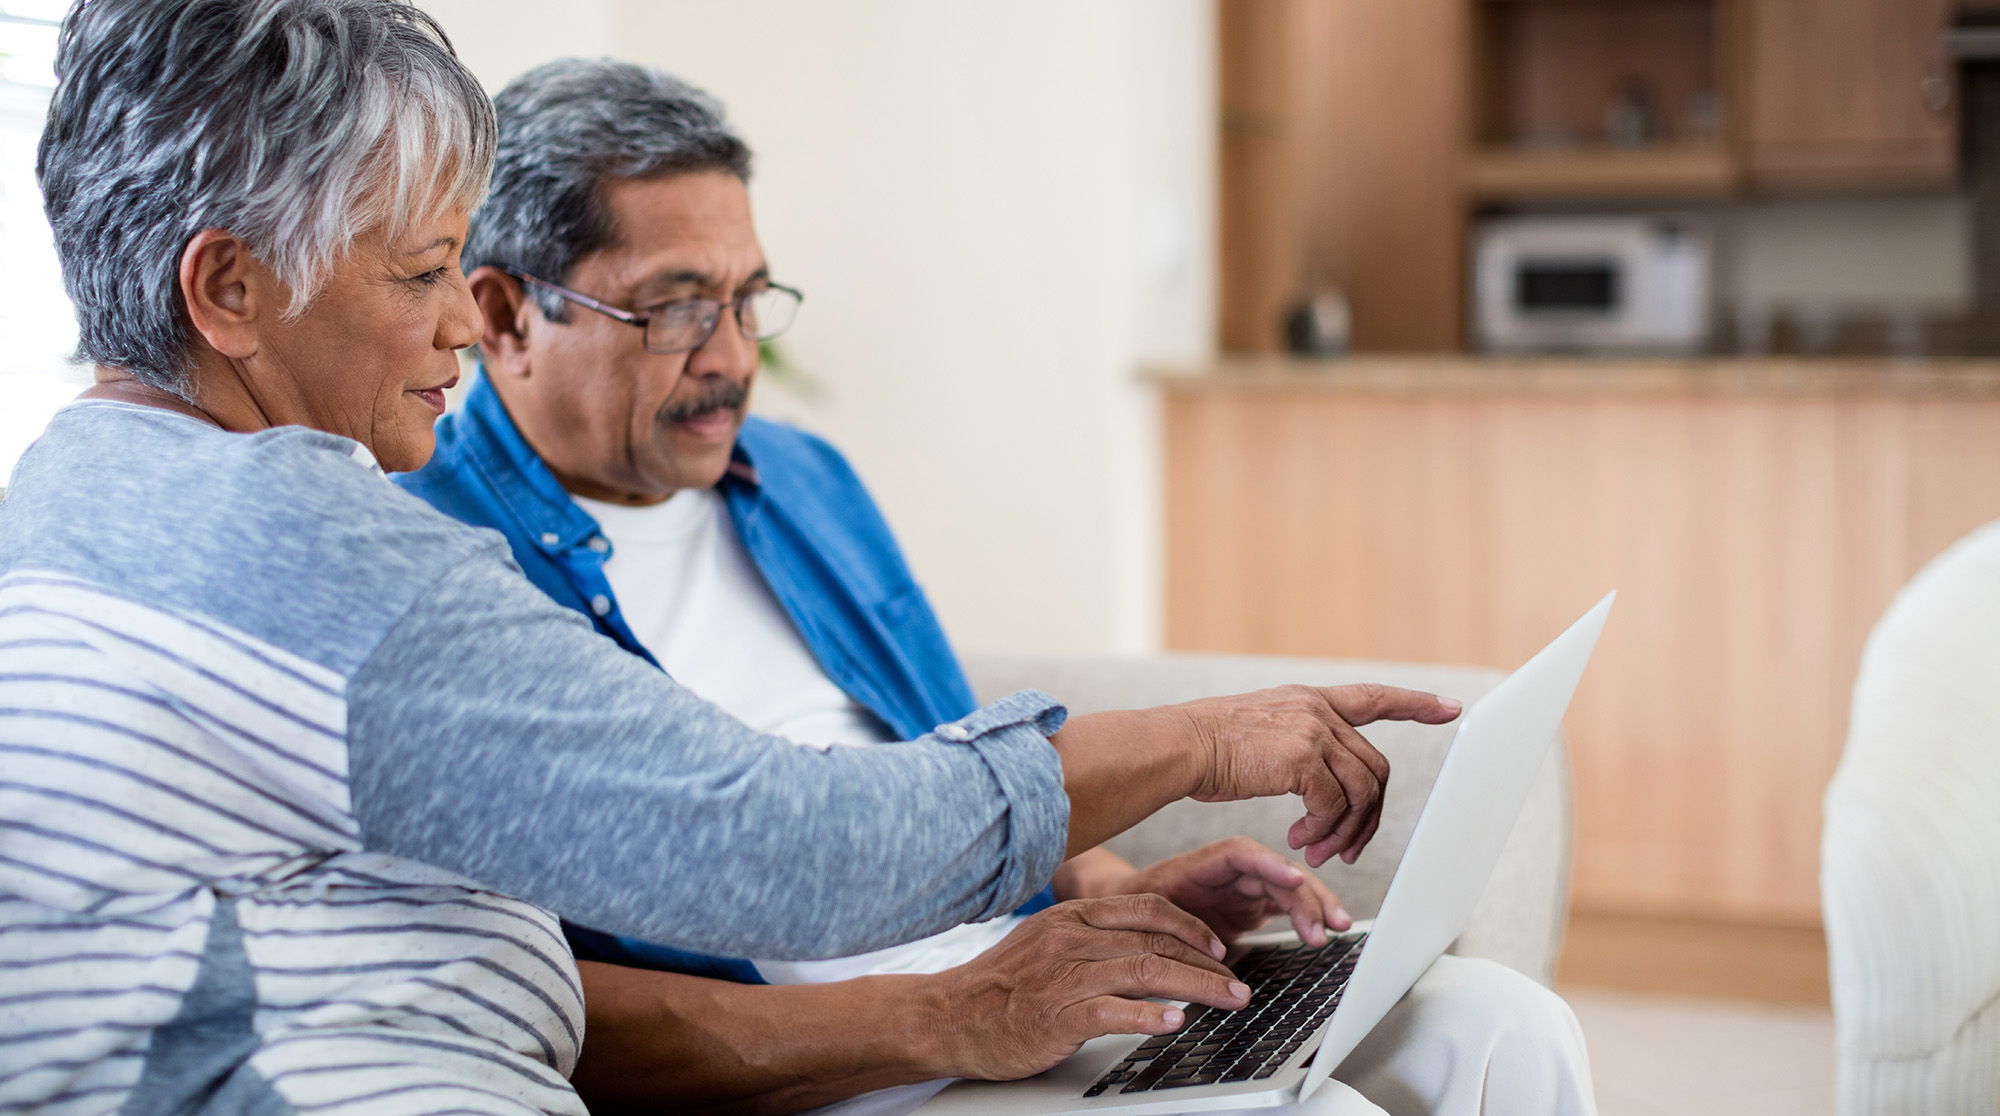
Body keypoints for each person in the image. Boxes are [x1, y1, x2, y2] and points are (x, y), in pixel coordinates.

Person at [0, 3, 1468, 1113]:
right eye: (419, 272)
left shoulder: (79, 496)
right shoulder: (304, 542)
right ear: (228, 289)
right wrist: (1207, 738)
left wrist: (1086, 890)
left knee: (1474, 1034)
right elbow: (779, 849)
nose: (457, 323)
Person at [396, 58, 1598, 1116]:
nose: (728, 355)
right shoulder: (433, 564)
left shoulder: (799, 478)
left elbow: (936, 749)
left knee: (1507, 1030)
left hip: (1014, 984)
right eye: (672, 307)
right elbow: (543, 1004)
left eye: (747, 298)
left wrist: (1110, 886)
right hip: (853, 1064)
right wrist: (953, 1012)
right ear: (503, 314)